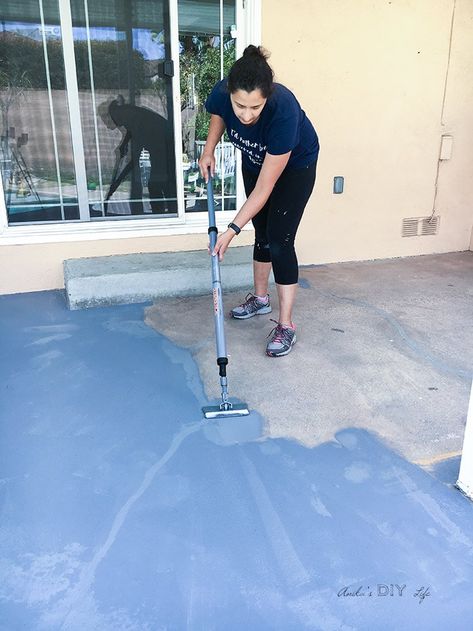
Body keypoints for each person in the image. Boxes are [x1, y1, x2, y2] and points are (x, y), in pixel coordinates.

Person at [198, 45, 319, 357]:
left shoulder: (284, 110)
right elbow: (218, 115)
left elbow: (264, 189)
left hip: (294, 168)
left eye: (256, 108)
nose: (247, 115)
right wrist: (208, 149)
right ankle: (261, 299)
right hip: (254, 160)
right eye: (241, 106)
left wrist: (230, 229)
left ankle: (286, 324)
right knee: (262, 232)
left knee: (280, 240)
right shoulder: (222, 93)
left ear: (267, 97)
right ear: (231, 93)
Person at [101, 96, 176, 215]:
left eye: (108, 119)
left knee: (158, 183)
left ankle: (170, 213)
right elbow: (131, 131)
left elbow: (135, 158)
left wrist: (118, 181)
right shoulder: (131, 115)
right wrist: (124, 144)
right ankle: (162, 212)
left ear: (117, 115)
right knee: (156, 182)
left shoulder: (132, 117)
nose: (107, 124)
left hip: (164, 147)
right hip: (159, 145)